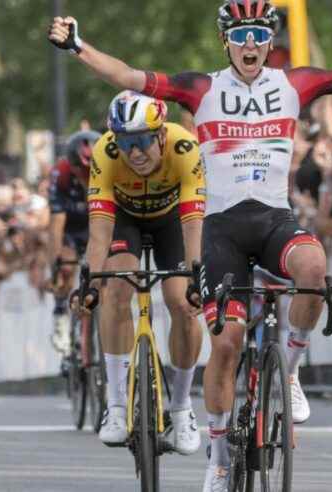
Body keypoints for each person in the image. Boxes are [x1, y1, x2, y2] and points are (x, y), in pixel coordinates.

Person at [48, 2, 332, 489]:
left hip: (274, 218)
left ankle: (289, 374)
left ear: (270, 40)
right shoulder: (200, 87)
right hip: (219, 228)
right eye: (240, 35)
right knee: (225, 344)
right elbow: (126, 74)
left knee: (314, 268)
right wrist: (77, 45)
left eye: (258, 34)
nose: (250, 44)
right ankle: (219, 458)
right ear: (225, 40)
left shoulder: (295, 83)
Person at [74, 91, 206, 456]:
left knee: (181, 301)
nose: (134, 152)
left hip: (172, 221)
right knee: (115, 292)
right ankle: (116, 405)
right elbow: (99, 231)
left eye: (143, 141)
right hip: (124, 220)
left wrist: (198, 277)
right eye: (126, 142)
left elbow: (194, 224)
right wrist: (90, 282)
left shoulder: (184, 148)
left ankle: (181, 408)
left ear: (162, 134)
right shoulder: (106, 153)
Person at [48, 130, 100, 354]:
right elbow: (56, 226)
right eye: (81, 171)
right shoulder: (61, 174)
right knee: (66, 266)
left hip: (95, 226)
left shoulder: (107, 173)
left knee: (102, 274)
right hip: (70, 227)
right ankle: (60, 317)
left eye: (90, 171)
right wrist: (55, 267)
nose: (85, 176)